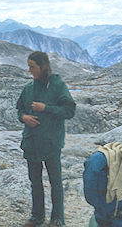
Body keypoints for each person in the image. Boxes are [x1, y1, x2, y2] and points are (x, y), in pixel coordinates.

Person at [17, 51, 76, 227]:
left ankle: (57, 219)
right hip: (32, 141)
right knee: (35, 181)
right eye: (28, 66)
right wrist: (24, 118)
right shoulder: (28, 88)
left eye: (32, 67)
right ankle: (37, 216)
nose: (29, 70)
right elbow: (19, 110)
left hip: (51, 142)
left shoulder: (58, 85)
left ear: (43, 66)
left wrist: (46, 108)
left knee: (55, 182)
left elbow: (69, 110)